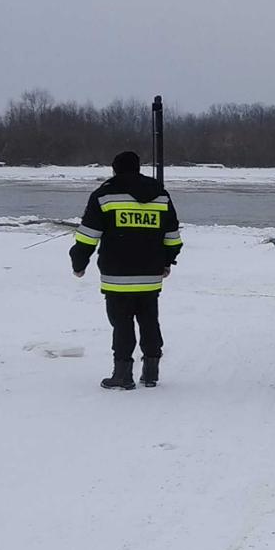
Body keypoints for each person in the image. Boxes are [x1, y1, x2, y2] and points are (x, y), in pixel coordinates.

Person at [70, 151, 182, 390]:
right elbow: (172, 235)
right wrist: (167, 262)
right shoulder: (160, 194)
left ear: (114, 169)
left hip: (117, 275)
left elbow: (88, 236)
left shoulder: (104, 195)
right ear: (138, 168)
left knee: (122, 324)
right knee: (149, 321)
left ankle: (122, 374)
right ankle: (151, 372)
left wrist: (79, 263)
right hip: (150, 274)